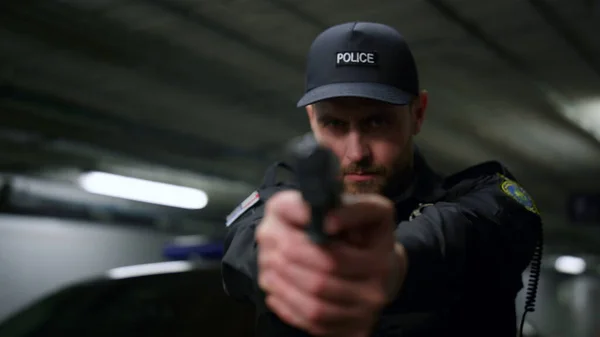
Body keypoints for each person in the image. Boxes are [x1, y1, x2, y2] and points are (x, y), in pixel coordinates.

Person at [221, 21, 542, 337]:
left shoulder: (479, 199)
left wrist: (395, 261)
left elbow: (482, 224)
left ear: (418, 113)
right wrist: (280, 255)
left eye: (377, 122)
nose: (356, 152)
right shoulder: (278, 200)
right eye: (333, 123)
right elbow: (245, 242)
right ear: (312, 120)